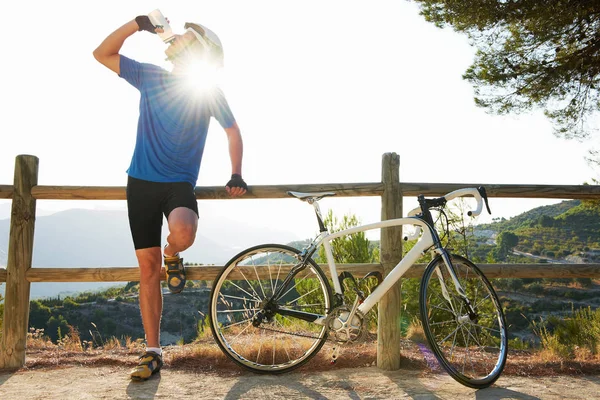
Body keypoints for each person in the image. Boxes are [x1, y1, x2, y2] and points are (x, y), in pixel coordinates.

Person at [93, 13, 247, 381]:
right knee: (147, 271)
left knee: (184, 230)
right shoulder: (150, 76)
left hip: (179, 182)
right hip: (140, 184)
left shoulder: (208, 91)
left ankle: (172, 254)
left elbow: (233, 131)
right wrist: (137, 23)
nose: (175, 38)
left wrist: (236, 173)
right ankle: (152, 351)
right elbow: (102, 53)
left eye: (185, 37)